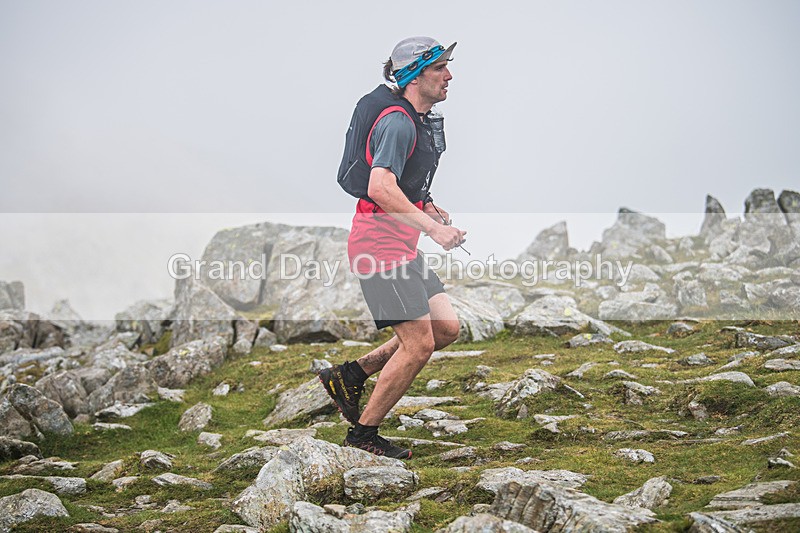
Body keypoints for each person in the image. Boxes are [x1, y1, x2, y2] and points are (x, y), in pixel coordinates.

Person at [320, 36, 466, 459]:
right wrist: (432, 230)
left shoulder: (416, 121)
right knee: (418, 344)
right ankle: (363, 437)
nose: (449, 75)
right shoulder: (399, 122)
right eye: (440, 68)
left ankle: (350, 374)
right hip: (379, 248)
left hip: (401, 246)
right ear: (415, 75)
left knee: (445, 329)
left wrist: (428, 207)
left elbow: (400, 184)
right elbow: (379, 186)